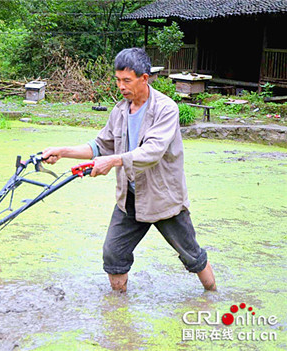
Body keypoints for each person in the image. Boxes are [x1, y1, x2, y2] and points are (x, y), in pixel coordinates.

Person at [42, 48, 216, 293]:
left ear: (144, 78)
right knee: (113, 254)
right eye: (117, 80)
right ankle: (118, 308)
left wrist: (112, 162)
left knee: (192, 255)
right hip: (131, 197)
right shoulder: (120, 111)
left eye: (127, 80)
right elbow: (100, 145)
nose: (121, 86)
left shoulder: (166, 109)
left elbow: (152, 152)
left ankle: (212, 294)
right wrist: (63, 151)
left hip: (163, 197)